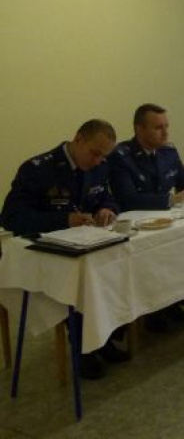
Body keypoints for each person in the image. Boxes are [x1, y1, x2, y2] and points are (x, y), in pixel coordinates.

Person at [0, 119, 126, 380]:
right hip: (47, 253)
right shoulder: (38, 169)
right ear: (78, 139)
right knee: (82, 279)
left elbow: (106, 197)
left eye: (103, 156)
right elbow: (12, 218)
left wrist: (107, 209)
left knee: (117, 266)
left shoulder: (99, 166)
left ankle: (104, 337)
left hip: (86, 244)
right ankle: (84, 348)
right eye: (94, 153)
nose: (98, 161)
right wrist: (64, 219)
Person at [108, 103, 184, 332]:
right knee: (157, 258)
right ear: (139, 129)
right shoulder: (121, 156)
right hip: (138, 226)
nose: (165, 133)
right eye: (158, 128)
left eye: (166, 126)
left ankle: (174, 303)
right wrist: (171, 200)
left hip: (168, 222)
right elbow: (127, 198)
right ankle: (151, 311)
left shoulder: (168, 151)